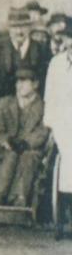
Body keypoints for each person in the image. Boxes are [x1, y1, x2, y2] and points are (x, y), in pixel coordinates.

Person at [0, 69, 48, 207]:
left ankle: (18, 199)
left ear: (35, 84)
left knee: (27, 157)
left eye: (24, 81)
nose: (19, 85)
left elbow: (43, 131)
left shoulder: (43, 107)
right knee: (12, 155)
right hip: (3, 151)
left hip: (29, 151)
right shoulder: (4, 103)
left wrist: (26, 143)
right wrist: (7, 141)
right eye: (18, 81)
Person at [0, 8, 50, 112]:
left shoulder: (40, 49)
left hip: (32, 109)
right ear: (9, 28)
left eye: (23, 26)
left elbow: (45, 81)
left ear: (29, 27)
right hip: (4, 109)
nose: (19, 31)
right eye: (15, 27)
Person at [43, 24, 72, 238]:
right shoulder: (56, 64)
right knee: (67, 156)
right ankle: (62, 212)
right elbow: (49, 98)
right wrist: (51, 126)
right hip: (63, 122)